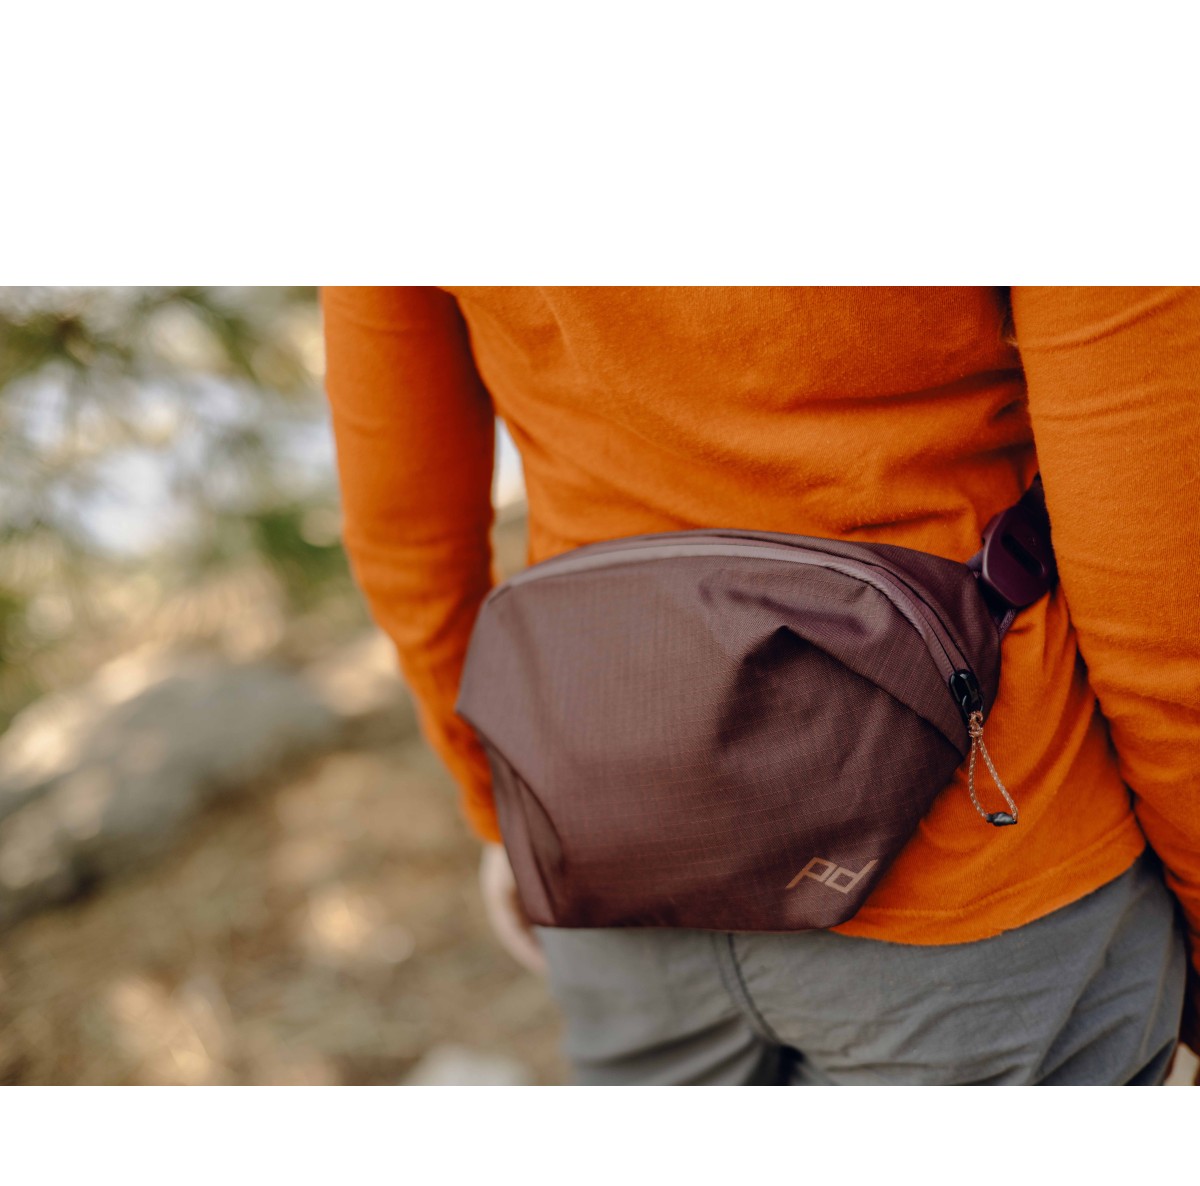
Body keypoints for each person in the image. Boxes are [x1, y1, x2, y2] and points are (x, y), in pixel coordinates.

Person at [322, 287, 1199, 1085]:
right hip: (976, 901)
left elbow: (404, 532)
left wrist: (505, 808)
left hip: (604, 834)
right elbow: (1163, 596)